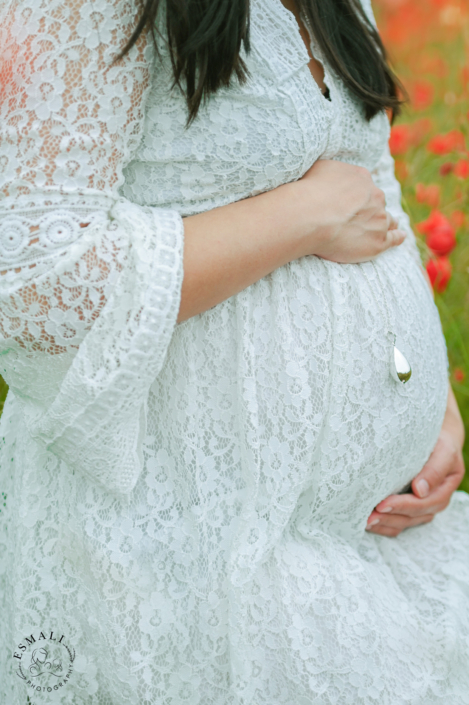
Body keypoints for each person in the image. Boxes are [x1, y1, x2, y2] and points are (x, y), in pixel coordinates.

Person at [0, 0, 467, 702]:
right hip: (198, 546)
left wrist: (433, 413)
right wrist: (298, 218)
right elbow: (35, 285)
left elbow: (369, 188)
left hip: (365, 538)